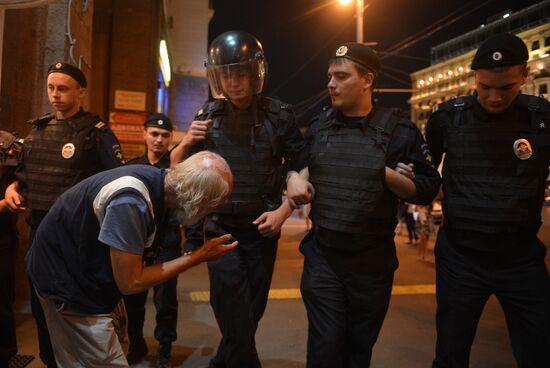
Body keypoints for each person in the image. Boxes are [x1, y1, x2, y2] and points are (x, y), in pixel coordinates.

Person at [292, 42, 440, 367]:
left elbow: (427, 188)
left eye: (341, 76)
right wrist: (293, 178)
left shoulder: (401, 133)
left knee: (358, 352)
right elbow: (300, 165)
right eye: (329, 76)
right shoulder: (319, 127)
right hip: (324, 257)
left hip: (371, 264)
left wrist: (390, 176)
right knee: (325, 347)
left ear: (367, 80)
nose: (330, 84)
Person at [170, 30, 312, 368]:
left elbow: (301, 167)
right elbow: (179, 172)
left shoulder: (280, 116)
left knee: (251, 311)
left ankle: (224, 361)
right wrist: (188, 141)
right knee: (229, 306)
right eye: (227, 74)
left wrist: (283, 211)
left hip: (264, 228)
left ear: (255, 73)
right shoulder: (207, 116)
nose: (233, 82)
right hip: (220, 228)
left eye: (241, 73)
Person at [24, 151, 237, 367]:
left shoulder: (160, 182)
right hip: (67, 281)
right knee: (102, 361)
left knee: (119, 345)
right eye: (214, 205)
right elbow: (131, 281)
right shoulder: (131, 202)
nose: (211, 212)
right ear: (199, 200)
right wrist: (199, 256)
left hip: (92, 273)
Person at [425, 33, 550, 368]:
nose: (494, 97)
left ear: (524, 76)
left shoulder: (542, 119)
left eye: (506, 88)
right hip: (460, 258)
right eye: (484, 87)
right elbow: (425, 177)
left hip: (521, 258)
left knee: (540, 352)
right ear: (473, 78)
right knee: (450, 354)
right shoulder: (446, 119)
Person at [3, 62, 125, 368]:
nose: (55, 95)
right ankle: (50, 360)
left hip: (78, 239)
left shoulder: (97, 134)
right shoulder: (38, 131)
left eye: (63, 88)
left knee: (75, 310)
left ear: (80, 91)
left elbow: (119, 182)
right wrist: (13, 189)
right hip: (38, 233)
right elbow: (25, 176)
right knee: (41, 307)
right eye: (51, 88)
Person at [123, 113, 182, 367]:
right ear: (144, 134)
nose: (159, 140)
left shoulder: (177, 167)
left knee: (165, 299)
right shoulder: (132, 165)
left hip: (167, 240)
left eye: (165, 135)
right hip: (138, 241)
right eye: (154, 134)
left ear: (170, 138)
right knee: (133, 297)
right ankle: (136, 344)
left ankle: (164, 350)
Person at [0, 131, 24, 367]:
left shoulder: (9, 145)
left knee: (2, 299)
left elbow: (24, 178)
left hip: (2, 236)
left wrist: (14, 187)